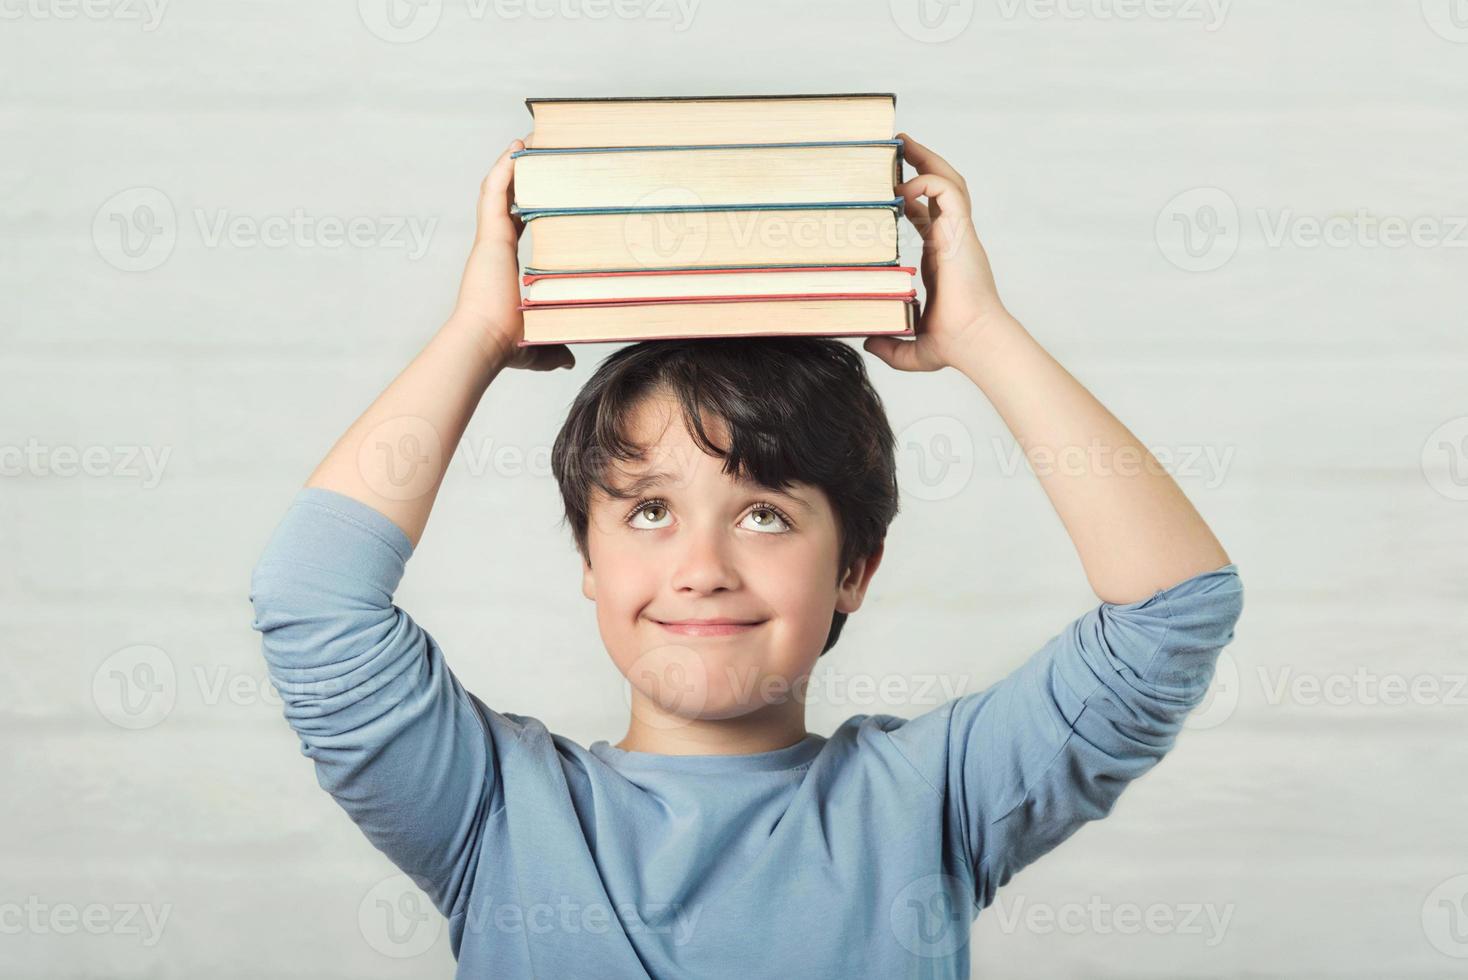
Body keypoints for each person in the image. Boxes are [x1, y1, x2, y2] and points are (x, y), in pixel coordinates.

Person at [249, 133, 1243, 978]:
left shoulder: (932, 797)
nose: (702, 566)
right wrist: (474, 331)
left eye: (764, 513)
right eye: (646, 512)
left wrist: (980, 333)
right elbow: (312, 594)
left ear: (855, 565)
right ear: (586, 557)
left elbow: (1171, 611)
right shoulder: (488, 804)